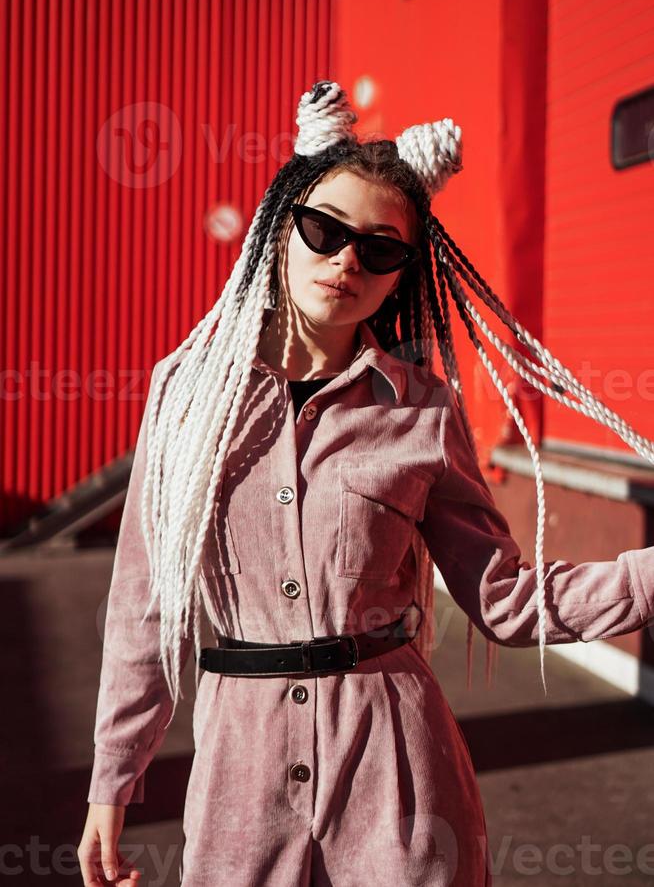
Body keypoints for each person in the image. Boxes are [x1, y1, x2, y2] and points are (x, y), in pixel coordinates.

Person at [77, 81, 654, 887]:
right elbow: (144, 603)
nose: (348, 259)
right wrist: (113, 776)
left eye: (381, 249)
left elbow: (503, 602)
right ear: (282, 230)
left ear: (400, 276)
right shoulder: (188, 394)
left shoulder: (422, 412)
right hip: (239, 787)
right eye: (325, 230)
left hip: (398, 780)